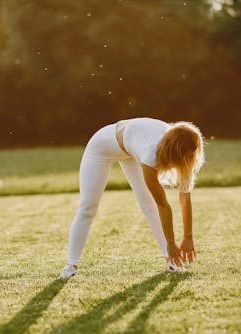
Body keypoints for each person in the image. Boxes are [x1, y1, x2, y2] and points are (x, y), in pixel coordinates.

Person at [60, 118, 204, 280]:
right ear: (172, 154)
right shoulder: (151, 152)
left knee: (148, 204)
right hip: (102, 146)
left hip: (131, 150)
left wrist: (188, 237)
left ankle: (172, 261)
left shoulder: (189, 146)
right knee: (88, 206)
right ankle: (70, 265)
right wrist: (171, 243)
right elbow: (162, 203)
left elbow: (185, 196)